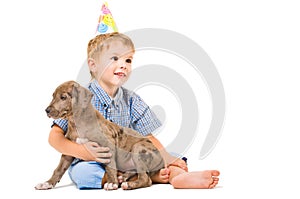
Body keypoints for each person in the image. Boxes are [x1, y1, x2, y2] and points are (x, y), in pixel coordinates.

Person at [48, 32, 220, 189]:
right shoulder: (77, 96)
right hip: (92, 161)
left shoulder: (131, 100)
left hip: (128, 157)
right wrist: (82, 152)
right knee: (82, 173)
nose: (123, 65)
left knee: (168, 155)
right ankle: (149, 176)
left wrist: (167, 158)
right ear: (93, 65)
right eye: (114, 58)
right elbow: (55, 137)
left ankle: (178, 176)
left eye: (128, 60)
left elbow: (148, 137)